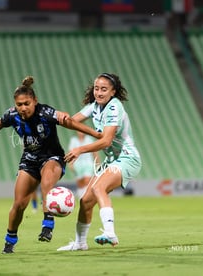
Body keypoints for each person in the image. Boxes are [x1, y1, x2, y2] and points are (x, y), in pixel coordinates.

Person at [0, 76, 101, 254]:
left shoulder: (45, 113)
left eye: (26, 103)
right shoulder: (12, 115)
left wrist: (95, 133)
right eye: (19, 104)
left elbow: (68, 121)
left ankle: (47, 225)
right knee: (19, 204)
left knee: (46, 182)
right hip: (29, 159)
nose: (23, 108)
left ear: (35, 101)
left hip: (52, 156)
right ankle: (10, 240)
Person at [56, 73, 141, 251]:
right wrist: (54, 117)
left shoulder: (114, 107)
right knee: (86, 201)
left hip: (127, 158)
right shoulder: (94, 106)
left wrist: (79, 149)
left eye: (104, 89)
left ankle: (110, 233)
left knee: (98, 188)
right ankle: (80, 243)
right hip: (112, 160)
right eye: (96, 88)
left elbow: (106, 141)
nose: (99, 92)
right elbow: (71, 121)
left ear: (113, 92)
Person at [67, 131, 99, 199]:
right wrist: (70, 164)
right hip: (77, 164)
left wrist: (97, 163)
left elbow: (94, 152)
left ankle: (87, 197)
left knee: (87, 180)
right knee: (80, 183)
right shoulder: (73, 140)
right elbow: (70, 153)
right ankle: (81, 198)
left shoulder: (89, 139)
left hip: (88, 163)